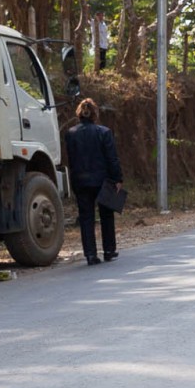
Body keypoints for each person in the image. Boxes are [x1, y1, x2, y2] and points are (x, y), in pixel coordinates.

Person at [64, 97, 123, 266]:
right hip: (102, 180)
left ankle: (90, 254)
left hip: (80, 181)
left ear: (79, 114)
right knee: (106, 215)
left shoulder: (70, 134)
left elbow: (71, 159)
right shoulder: (104, 132)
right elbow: (112, 159)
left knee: (86, 217)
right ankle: (109, 250)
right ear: (95, 113)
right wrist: (118, 178)